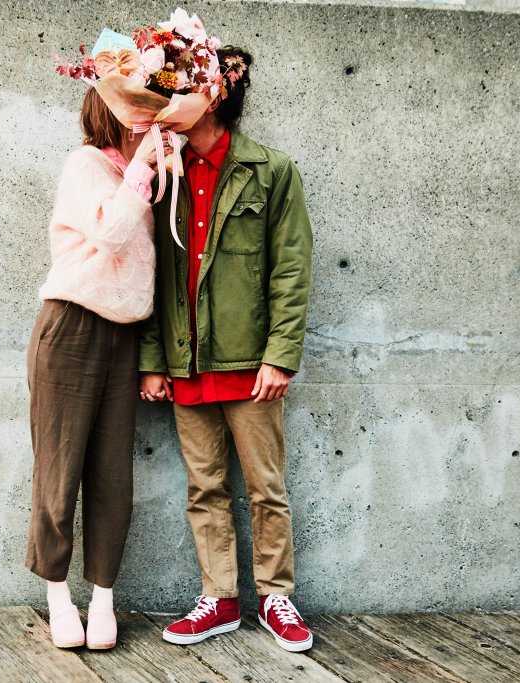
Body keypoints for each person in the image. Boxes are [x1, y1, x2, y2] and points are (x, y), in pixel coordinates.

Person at [138, 47, 316, 653]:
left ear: (212, 96)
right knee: (204, 488)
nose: (165, 104)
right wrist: (153, 359)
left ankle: (276, 598)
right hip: (185, 361)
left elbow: (291, 269)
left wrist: (280, 354)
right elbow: (150, 270)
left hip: (250, 363)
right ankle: (221, 598)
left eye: (178, 90)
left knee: (266, 487)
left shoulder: (271, 170)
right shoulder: (161, 171)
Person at [26, 87, 172, 650]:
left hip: (124, 336)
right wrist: (141, 165)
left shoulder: (151, 174)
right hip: (72, 327)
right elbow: (110, 233)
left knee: (113, 476)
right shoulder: (85, 165)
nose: (148, 123)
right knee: (59, 472)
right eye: (138, 112)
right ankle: (58, 597)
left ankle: (103, 600)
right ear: (110, 113)